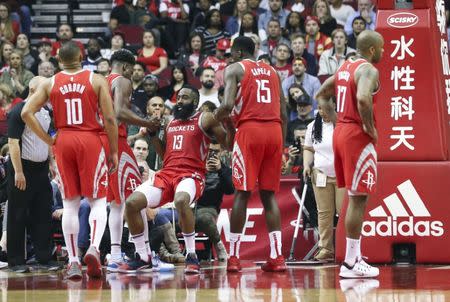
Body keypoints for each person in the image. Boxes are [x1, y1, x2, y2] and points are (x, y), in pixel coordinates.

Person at [21, 41, 119, 279]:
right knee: (97, 201)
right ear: (81, 56)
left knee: (70, 205)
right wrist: (114, 150)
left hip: (64, 139)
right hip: (90, 139)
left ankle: (73, 261)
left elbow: (25, 113)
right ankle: (94, 248)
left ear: (58, 59)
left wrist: (48, 139)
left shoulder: (49, 82)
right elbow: (109, 118)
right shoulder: (96, 79)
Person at [120, 84, 232, 274]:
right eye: (178, 97)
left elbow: (228, 143)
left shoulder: (204, 118)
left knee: (181, 200)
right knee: (131, 203)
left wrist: (228, 123)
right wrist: (154, 135)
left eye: (185, 98)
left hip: (191, 174)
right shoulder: (171, 122)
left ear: (195, 102)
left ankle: (191, 255)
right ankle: (143, 256)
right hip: (167, 173)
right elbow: (165, 155)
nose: (179, 101)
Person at [215, 36, 288, 272]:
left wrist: (210, 120)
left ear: (237, 53)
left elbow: (226, 107)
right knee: (269, 196)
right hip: (275, 131)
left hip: (250, 130)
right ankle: (277, 257)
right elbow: (285, 113)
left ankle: (234, 257)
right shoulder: (274, 71)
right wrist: (283, 147)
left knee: (242, 194)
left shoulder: (234, 68)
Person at [315, 30, 383, 278]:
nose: (384, 53)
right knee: (358, 198)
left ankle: (353, 259)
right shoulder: (368, 69)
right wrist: (369, 126)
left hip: (341, 132)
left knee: (354, 196)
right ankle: (352, 262)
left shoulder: (345, 66)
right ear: (373, 49)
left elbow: (322, 92)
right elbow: (364, 99)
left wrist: (334, 119)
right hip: (356, 136)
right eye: (382, 48)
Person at [99, 49, 167, 273]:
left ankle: (117, 254)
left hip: (101, 142)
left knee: (116, 203)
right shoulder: (123, 81)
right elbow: (118, 112)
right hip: (116, 141)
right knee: (136, 201)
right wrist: (147, 123)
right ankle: (143, 254)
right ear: (127, 67)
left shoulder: (100, 81)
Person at [6, 76, 58, 272]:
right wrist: (18, 172)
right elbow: (13, 144)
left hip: (41, 169)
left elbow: (47, 140)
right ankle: (16, 261)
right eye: (45, 89)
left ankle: (44, 258)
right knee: (17, 215)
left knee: (42, 213)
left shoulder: (45, 112)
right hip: (22, 169)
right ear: (33, 89)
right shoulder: (19, 111)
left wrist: (52, 163)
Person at [303, 98, 345, 262]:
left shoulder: (342, 124)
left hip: (342, 174)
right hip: (320, 174)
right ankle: (326, 248)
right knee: (324, 213)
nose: (322, 112)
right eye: (319, 109)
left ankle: (345, 248)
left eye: (325, 108)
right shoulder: (313, 126)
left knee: (343, 212)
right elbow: (308, 148)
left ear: (334, 106)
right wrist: (307, 165)